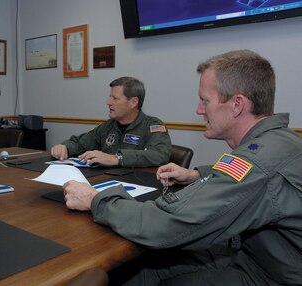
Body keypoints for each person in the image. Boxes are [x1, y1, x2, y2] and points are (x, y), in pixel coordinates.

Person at [62, 50, 302, 285]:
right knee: (143, 269)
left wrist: (96, 199)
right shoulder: (278, 142)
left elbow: (165, 226)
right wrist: (198, 174)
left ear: (237, 104)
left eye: (205, 100)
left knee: (145, 268)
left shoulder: (259, 161)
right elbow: (254, 181)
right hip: (261, 258)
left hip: (267, 274)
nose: (199, 110)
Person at [51, 76, 171, 167]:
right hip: (107, 181)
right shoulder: (108, 126)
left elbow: (160, 155)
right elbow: (81, 143)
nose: (108, 102)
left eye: (115, 98)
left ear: (133, 102)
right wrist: (65, 147)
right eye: (110, 97)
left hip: (139, 184)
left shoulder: (153, 125)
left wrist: (117, 158)